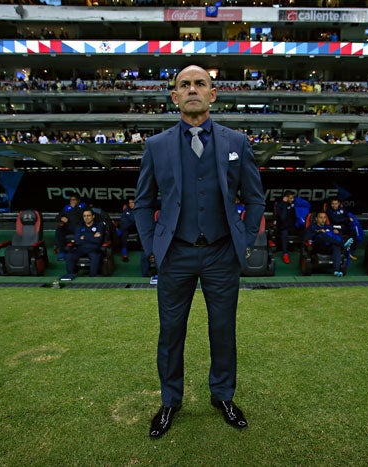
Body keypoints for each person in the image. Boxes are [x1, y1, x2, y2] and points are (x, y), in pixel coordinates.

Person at [134, 64, 265, 439]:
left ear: (213, 93)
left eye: (200, 84)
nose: (193, 89)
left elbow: (255, 199)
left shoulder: (237, 143)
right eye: (185, 85)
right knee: (171, 332)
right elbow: (142, 203)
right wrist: (152, 245)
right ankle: (170, 401)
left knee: (222, 330)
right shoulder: (156, 146)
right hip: (176, 255)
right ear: (174, 96)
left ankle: (222, 395)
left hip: (222, 254)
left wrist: (245, 236)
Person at [303, 211, 353, 277]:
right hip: (318, 247)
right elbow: (305, 238)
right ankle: (342, 245)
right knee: (322, 235)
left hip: (329, 247)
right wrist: (317, 232)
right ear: (316, 219)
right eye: (320, 217)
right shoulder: (312, 227)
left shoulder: (329, 227)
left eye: (324, 218)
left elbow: (335, 236)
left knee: (336, 246)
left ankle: (336, 271)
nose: (323, 219)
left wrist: (337, 233)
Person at [62, 207, 105, 280]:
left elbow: (98, 240)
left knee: (95, 257)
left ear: (93, 216)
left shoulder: (99, 225)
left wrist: (84, 237)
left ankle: (92, 278)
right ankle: (70, 276)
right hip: (81, 248)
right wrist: (92, 237)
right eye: (84, 216)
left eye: (88, 215)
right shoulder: (79, 226)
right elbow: (77, 240)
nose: (86, 218)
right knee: (69, 256)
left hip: (93, 248)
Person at [54, 195, 86, 261]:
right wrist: (61, 218)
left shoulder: (83, 206)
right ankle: (62, 252)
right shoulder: (67, 208)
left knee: (78, 230)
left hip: (79, 227)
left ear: (78, 201)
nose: (72, 201)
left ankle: (79, 252)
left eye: (74, 200)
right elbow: (57, 217)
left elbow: (84, 216)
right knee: (59, 230)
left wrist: (75, 208)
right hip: (68, 227)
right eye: (71, 200)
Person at [275, 190, 297, 264]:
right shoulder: (280, 205)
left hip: (292, 227)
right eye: (290, 198)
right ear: (286, 198)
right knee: (284, 233)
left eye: (293, 198)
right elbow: (283, 217)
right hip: (282, 228)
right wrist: (284, 203)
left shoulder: (293, 204)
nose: (292, 200)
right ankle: (285, 254)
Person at [117, 197, 137, 262]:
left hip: (134, 228)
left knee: (122, 230)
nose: (131, 204)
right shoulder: (126, 210)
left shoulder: (138, 210)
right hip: (125, 228)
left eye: (132, 202)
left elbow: (134, 220)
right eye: (130, 203)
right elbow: (122, 219)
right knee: (124, 234)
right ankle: (124, 256)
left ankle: (117, 233)